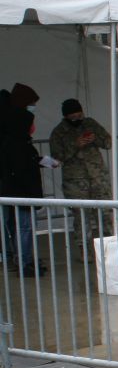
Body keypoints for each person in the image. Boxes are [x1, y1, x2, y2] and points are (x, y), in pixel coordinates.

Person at [0, 83, 58, 276]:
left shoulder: (11, 140)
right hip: (21, 192)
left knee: (13, 225)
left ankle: (17, 258)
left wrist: (38, 161)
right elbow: (22, 166)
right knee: (24, 227)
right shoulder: (16, 141)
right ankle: (24, 262)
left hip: (10, 189)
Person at [48, 99, 112, 259]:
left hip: (98, 177)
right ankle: (86, 251)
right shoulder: (59, 132)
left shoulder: (90, 123)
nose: (78, 119)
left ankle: (111, 247)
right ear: (66, 116)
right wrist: (75, 144)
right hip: (75, 182)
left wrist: (95, 139)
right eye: (74, 117)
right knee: (82, 217)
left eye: (80, 115)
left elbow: (108, 142)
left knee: (106, 213)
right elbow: (57, 158)